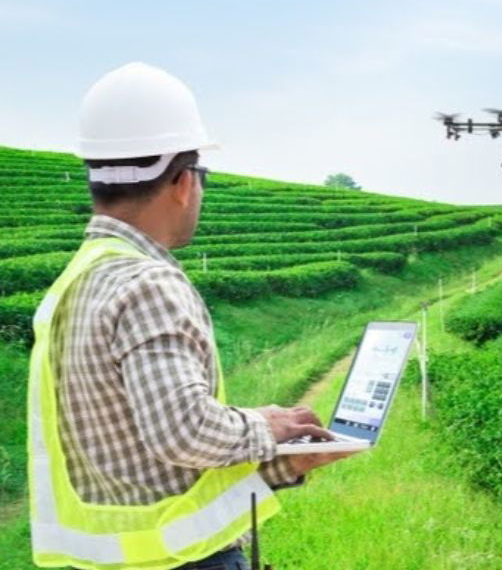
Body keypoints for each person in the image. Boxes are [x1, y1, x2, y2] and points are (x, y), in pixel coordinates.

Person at [28, 62, 353, 570]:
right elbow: (181, 431)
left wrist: (284, 462)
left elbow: (143, 460)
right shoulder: (148, 282)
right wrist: (264, 426)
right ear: (182, 182)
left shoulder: (77, 281)